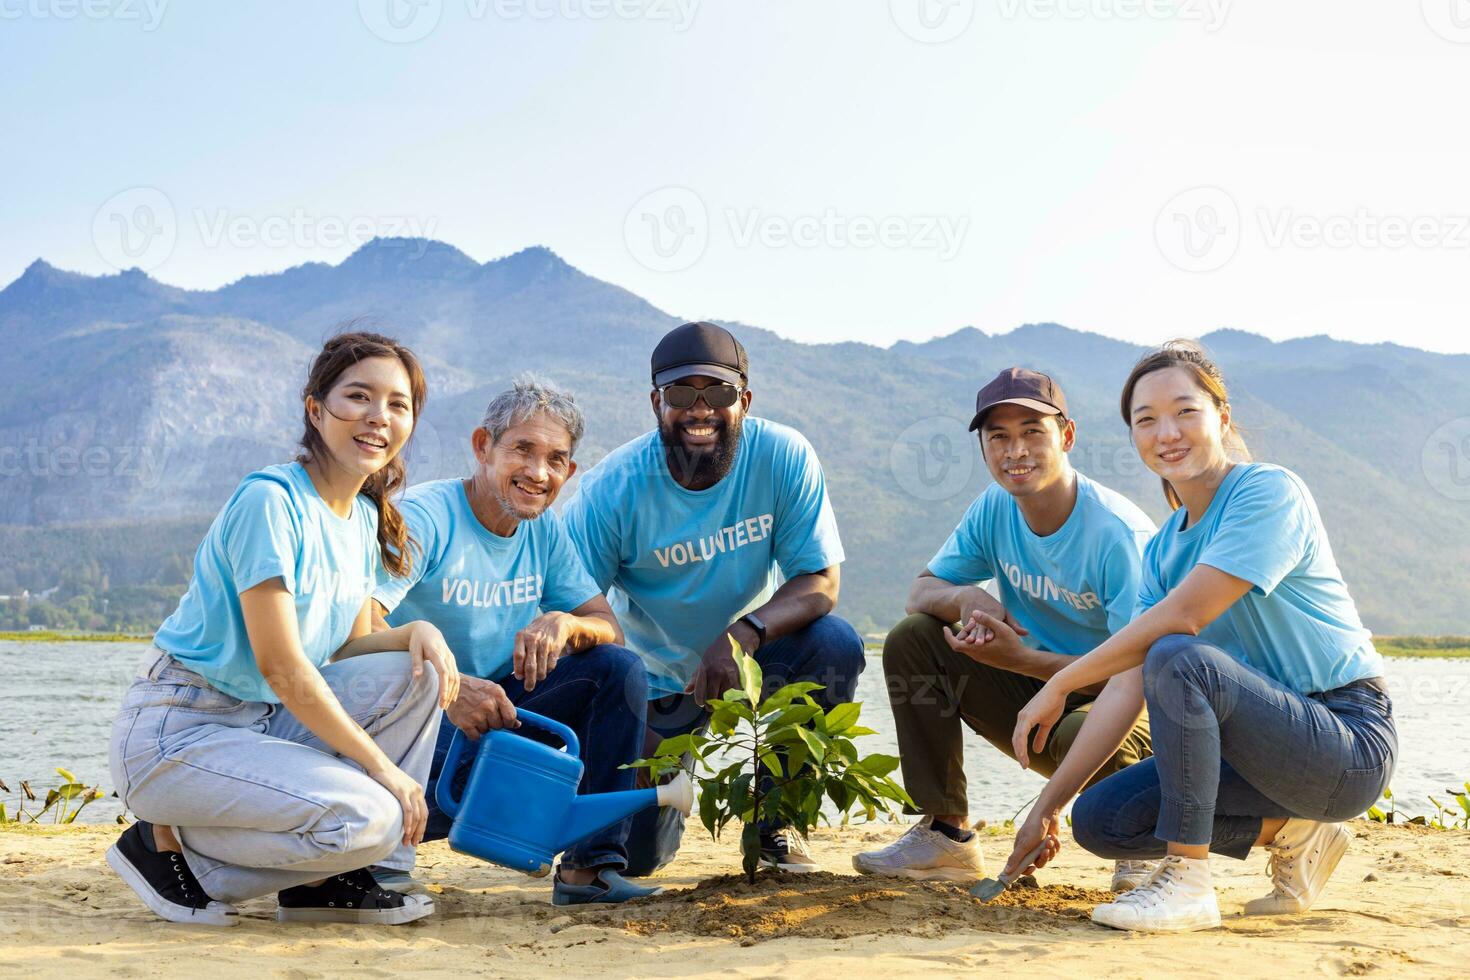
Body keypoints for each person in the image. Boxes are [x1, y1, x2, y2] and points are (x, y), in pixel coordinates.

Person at [1003, 340, 1396, 933]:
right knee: (1105, 820)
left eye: (1186, 410)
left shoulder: (1267, 492)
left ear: (1223, 417)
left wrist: (1059, 680)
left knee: (1179, 654)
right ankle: (1298, 833)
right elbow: (1123, 689)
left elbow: (1183, 619)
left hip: (1346, 738)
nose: (1168, 432)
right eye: (1146, 419)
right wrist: (1046, 806)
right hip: (1257, 754)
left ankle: (1188, 883)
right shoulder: (1161, 552)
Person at [106, 332, 461, 927]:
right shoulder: (270, 501)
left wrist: (416, 630)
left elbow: (345, 648)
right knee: (371, 817)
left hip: (260, 724)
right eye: (359, 397)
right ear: (315, 408)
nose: (379, 417)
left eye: (398, 404)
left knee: (416, 672)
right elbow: (283, 666)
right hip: (179, 728)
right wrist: (382, 767)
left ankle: (329, 879)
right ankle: (164, 848)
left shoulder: (362, 517)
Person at [562, 320, 865, 876]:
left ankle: (775, 828)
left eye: (718, 392)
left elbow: (820, 582)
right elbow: (574, 612)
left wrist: (742, 635)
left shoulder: (782, 456)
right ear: (657, 403)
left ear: (744, 400)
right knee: (636, 860)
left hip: (747, 665)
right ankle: (647, 801)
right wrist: (630, 720)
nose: (700, 409)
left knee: (833, 643)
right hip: (651, 687)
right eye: (681, 393)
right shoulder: (612, 488)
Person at [854, 367, 1157, 891]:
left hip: (1128, 710)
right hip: (1036, 692)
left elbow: (1137, 674)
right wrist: (969, 597)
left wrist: (1019, 660)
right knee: (914, 638)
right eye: (999, 437)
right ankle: (945, 834)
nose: (1015, 450)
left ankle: (1142, 841)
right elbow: (919, 593)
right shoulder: (994, 508)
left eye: (1032, 432)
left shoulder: (1117, 534)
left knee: (1084, 728)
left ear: (1066, 436)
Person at [371, 375, 654, 906]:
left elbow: (608, 627)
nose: (537, 472)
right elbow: (357, 622)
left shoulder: (544, 532)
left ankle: (589, 871)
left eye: (555, 459)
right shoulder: (426, 518)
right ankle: (370, 842)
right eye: (522, 450)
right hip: (410, 714)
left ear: (568, 472)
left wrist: (567, 624)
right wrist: (447, 690)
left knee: (617, 668)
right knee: (390, 821)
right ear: (483, 447)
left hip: (499, 707)